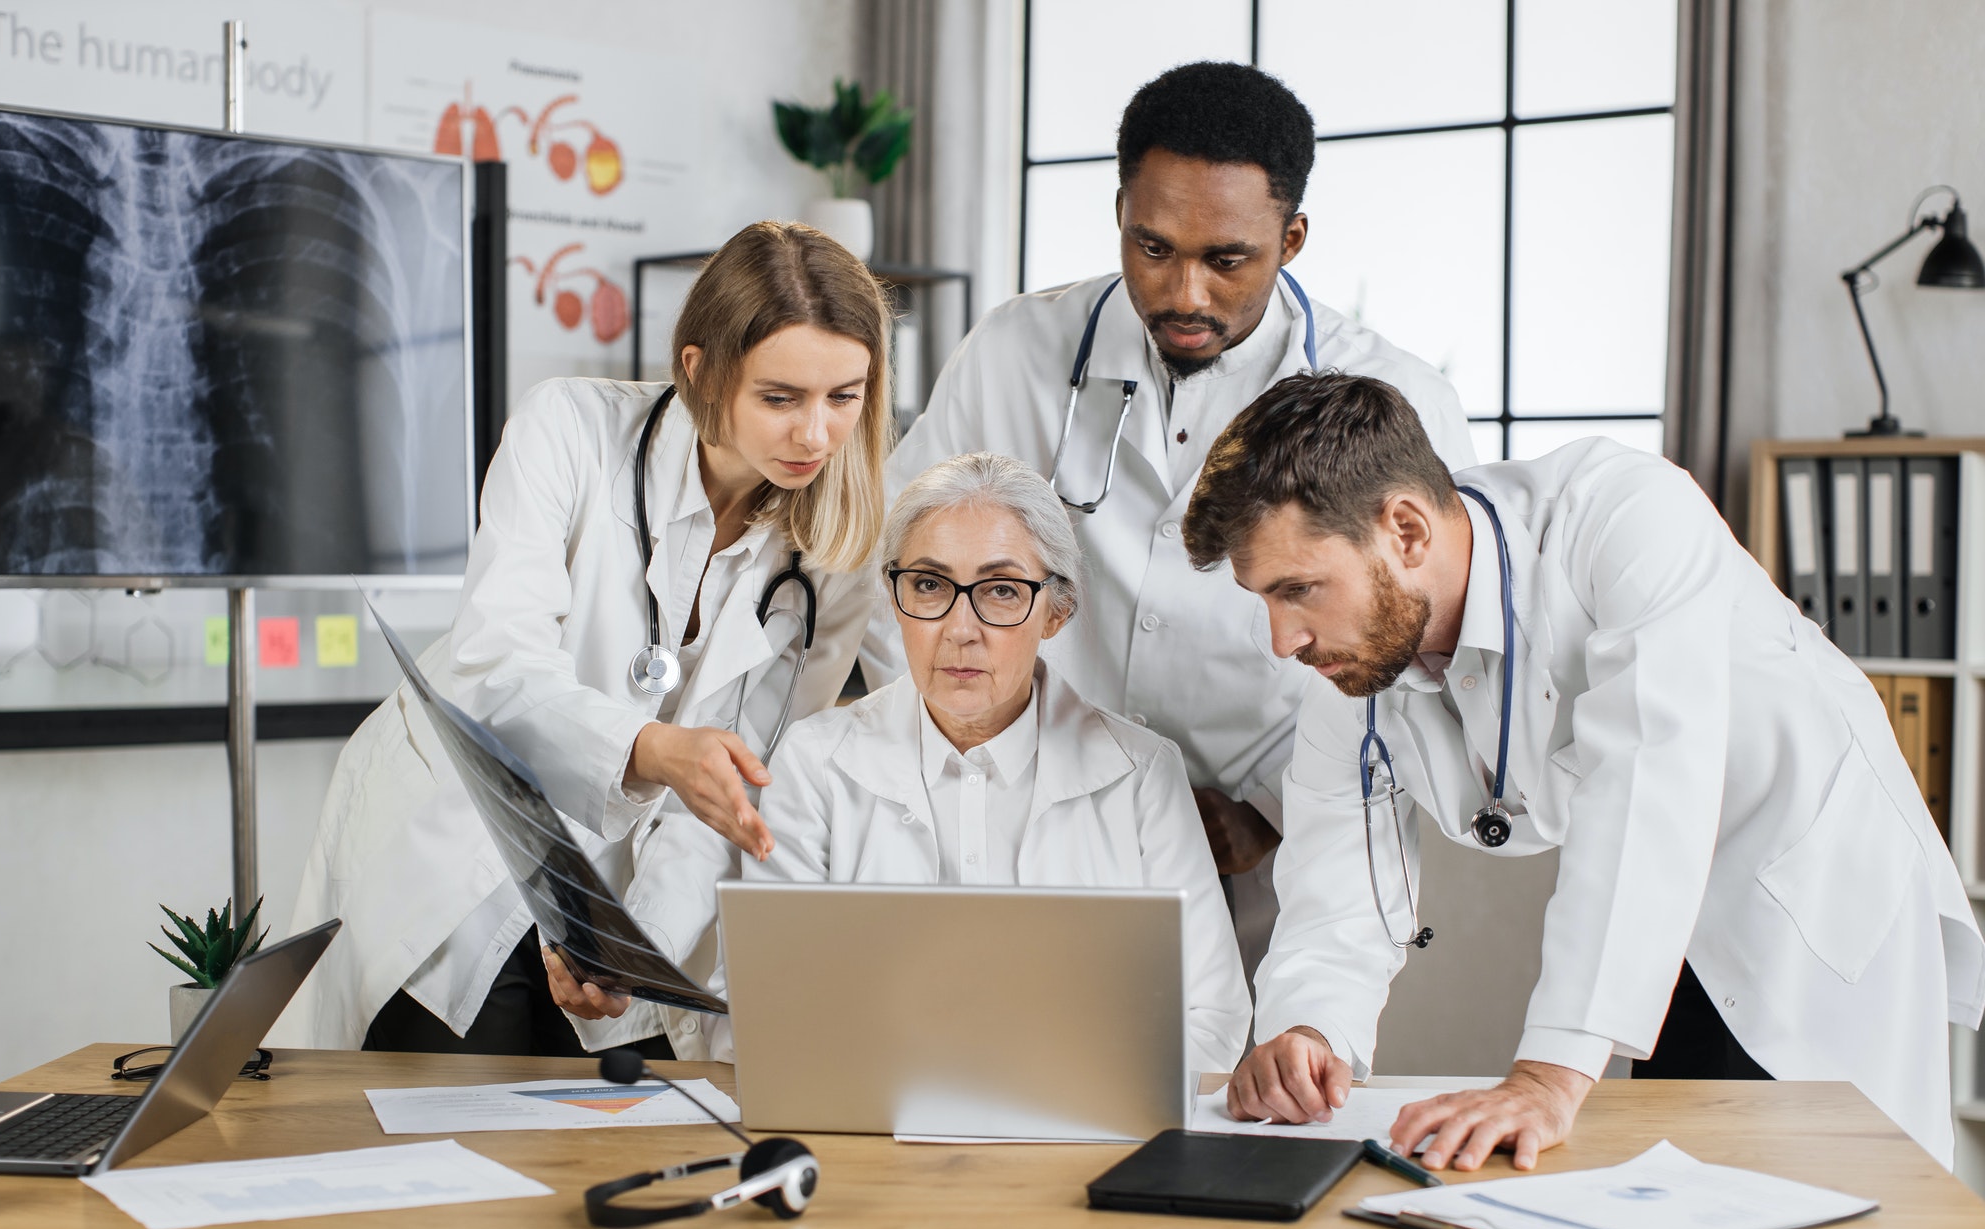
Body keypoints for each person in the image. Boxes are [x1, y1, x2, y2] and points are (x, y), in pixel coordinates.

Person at [1181, 370, 1985, 1169]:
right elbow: (1338, 875)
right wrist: (1309, 1028)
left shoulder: (1630, 518)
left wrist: (1545, 1076)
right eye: (1265, 599)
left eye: (1299, 589)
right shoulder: (1353, 661)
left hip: (1804, 888)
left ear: (1407, 531)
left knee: (1835, 1200)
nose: (1283, 639)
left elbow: (1646, 790)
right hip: (1662, 917)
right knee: (1688, 1203)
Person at [868, 61, 1476, 971]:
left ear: (1293, 237)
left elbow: (1422, 658)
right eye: (1153, 248)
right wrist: (974, 770)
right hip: (1029, 832)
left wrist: (1272, 807)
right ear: (1120, 214)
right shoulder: (1015, 352)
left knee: (1256, 1092)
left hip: (1271, 858)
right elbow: (895, 577)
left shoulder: (1397, 400)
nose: (1185, 293)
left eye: (1226, 260)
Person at [284, 221, 888, 1059]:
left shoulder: (837, 558)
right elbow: (494, 670)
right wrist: (651, 748)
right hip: (464, 846)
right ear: (700, 370)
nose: (816, 435)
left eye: (844, 397)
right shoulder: (568, 431)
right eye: (780, 398)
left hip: (612, 891)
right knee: (434, 1134)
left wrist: (634, 946)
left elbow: (726, 801)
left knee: (577, 1150)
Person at [641, 452, 1250, 1072]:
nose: (961, 629)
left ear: (1057, 612)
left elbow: (1212, 1020)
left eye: (1002, 591)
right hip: (871, 1143)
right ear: (894, 596)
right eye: (930, 585)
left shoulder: (1142, 774)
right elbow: (764, 1010)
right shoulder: (817, 762)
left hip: (1080, 1148)